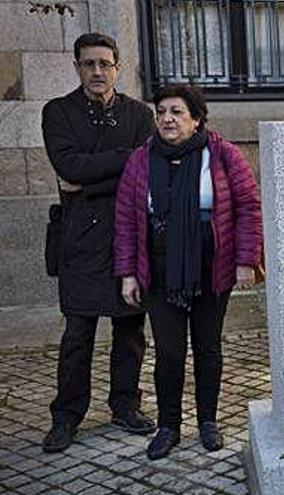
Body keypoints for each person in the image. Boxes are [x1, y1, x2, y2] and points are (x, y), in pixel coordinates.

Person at [114, 84, 263, 460]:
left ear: (196, 119)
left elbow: (248, 206)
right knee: (169, 351)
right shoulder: (141, 159)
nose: (167, 118)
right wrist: (128, 273)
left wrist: (247, 259)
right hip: (160, 272)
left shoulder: (223, 154)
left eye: (177, 112)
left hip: (212, 268)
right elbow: (127, 220)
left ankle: (208, 422)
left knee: (208, 348)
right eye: (162, 111)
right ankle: (168, 426)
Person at [40, 32, 156, 453]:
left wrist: (85, 182)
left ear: (117, 67)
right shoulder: (58, 112)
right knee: (78, 333)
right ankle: (67, 416)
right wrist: (125, 159)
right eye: (88, 64)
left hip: (128, 233)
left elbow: (144, 171)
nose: (97, 72)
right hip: (80, 239)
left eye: (105, 64)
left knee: (130, 329)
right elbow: (66, 163)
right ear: (76, 67)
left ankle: (126, 405)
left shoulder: (140, 114)